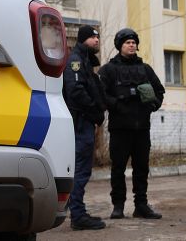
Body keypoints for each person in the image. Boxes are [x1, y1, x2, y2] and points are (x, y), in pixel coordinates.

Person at [98, 28, 165, 220]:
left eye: (134, 42)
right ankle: (118, 206)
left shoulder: (145, 69)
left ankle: (141, 205)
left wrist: (152, 105)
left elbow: (159, 91)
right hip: (120, 129)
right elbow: (101, 94)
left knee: (141, 168)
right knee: (118, 169)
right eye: (127, 42)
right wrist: (117, 105)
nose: (131, 45)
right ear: (120, 46)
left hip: (141, 128)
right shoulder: (109, 70)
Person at [62, 25, 106, 231]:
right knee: (81, 169)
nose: (96, 40)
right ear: (82, 39)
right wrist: (94, 111)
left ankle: (78, 212)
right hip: (80, 122)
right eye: (92, 37)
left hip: (85, 121)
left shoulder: (86, 60)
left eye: (97, 37)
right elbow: (76, 92)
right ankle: (78, 216)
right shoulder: (76, 61)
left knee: (82, 169)